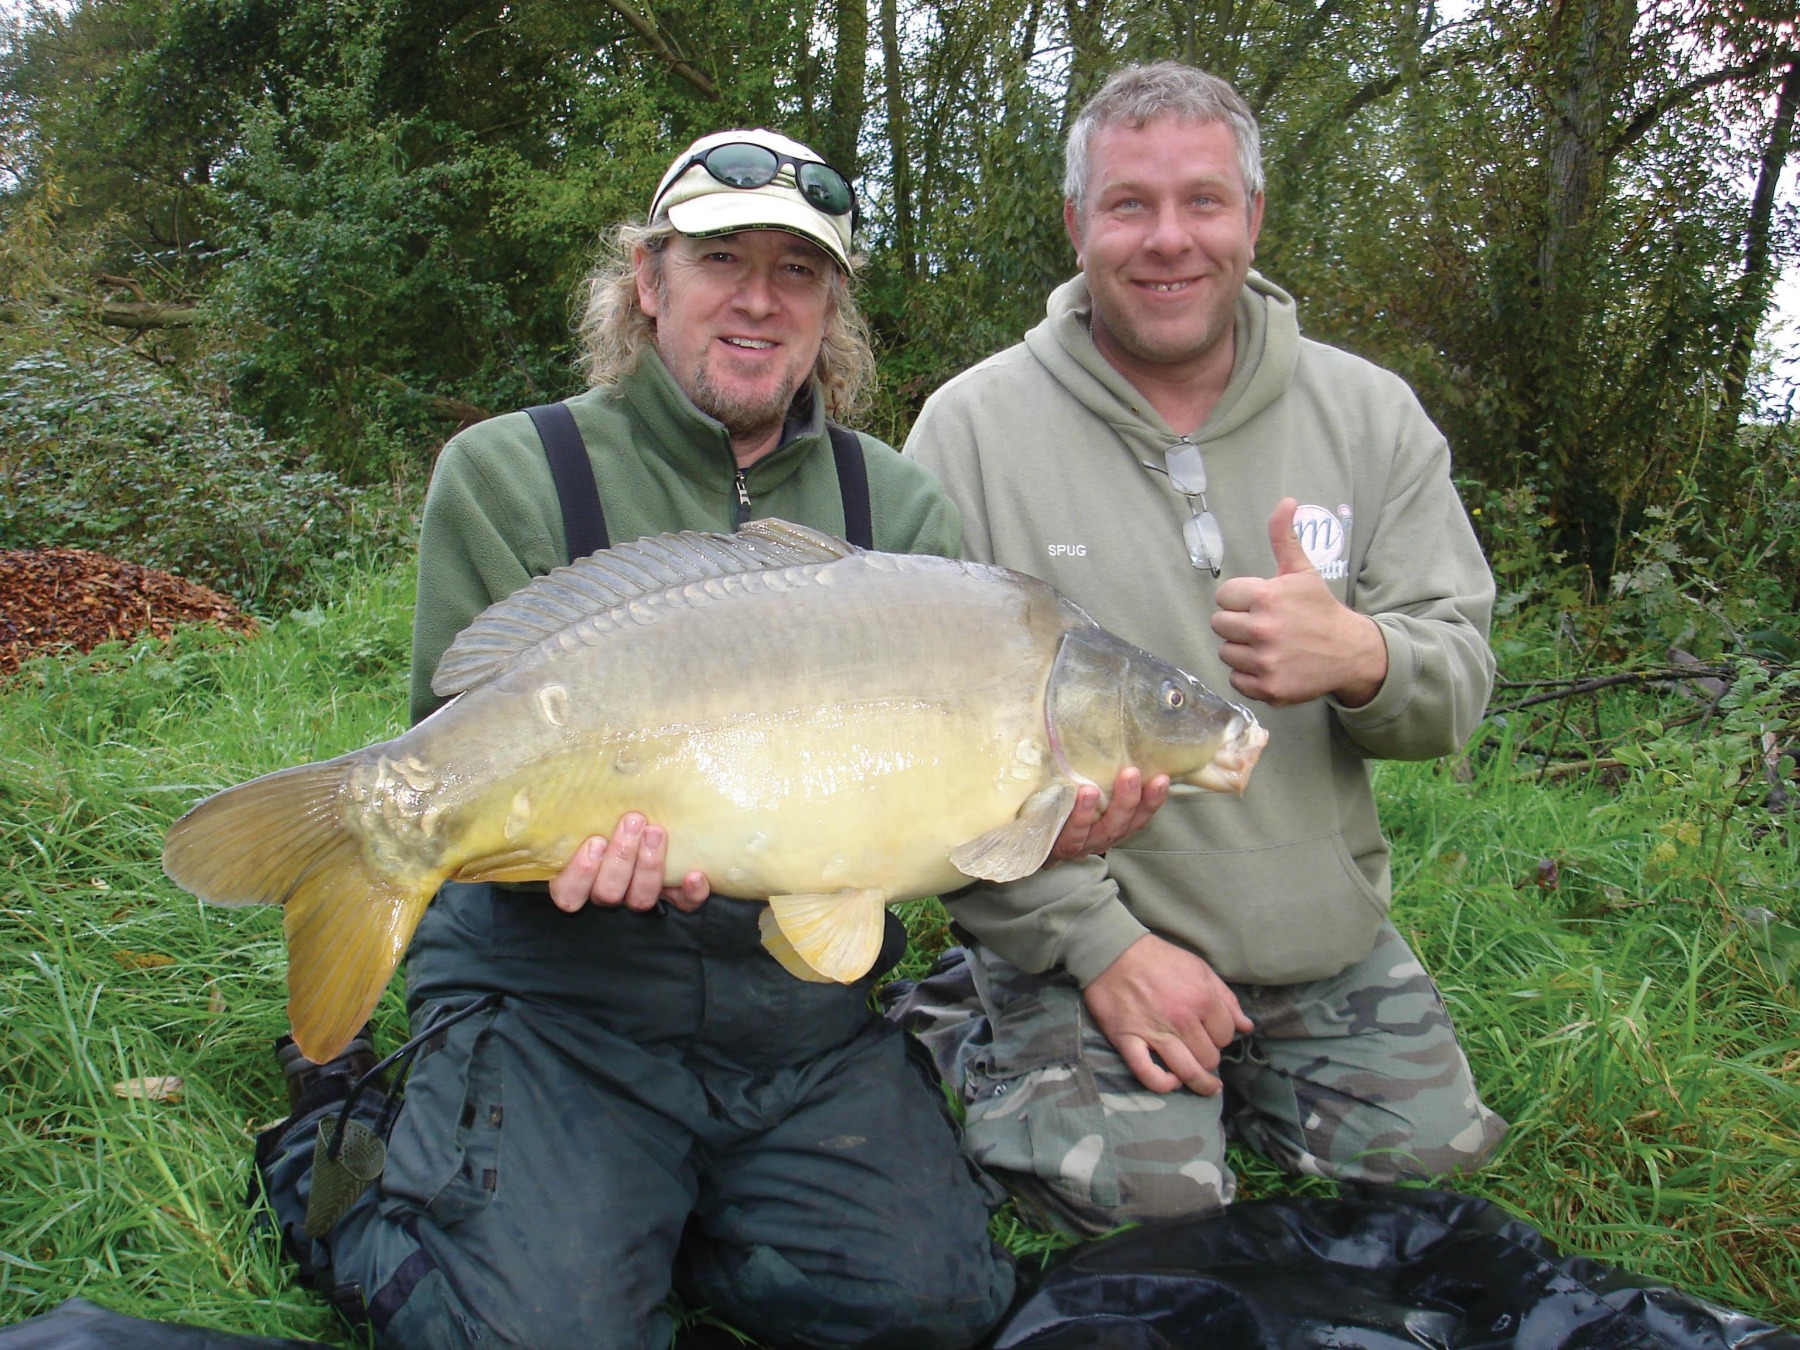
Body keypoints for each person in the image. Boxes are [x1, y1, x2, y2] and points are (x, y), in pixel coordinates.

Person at [253, 128, 1026, 1350]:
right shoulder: (514, 470)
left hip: (796, 1023)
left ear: (832, 308)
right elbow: (457, 739)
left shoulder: (900, 508)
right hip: (561, 999)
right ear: (649, 281)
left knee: (939, 1313)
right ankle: (333, 1154)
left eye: (800, 270)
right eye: (723, 259)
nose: (761, 300)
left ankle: (679, 1202)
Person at [893, 62, 1508, 1238]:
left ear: (1253, 218)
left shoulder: (1370, 416)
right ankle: (971, 1021)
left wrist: (1365, 657)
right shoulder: (969, 432)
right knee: (1154, 1210)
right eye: (1128, 205)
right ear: (1077, 225)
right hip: (1093, 934)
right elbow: (935, 751)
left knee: (1427, 1173)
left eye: (1203, 202)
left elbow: (1457, 691)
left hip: (1315, 936)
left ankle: (1236, 1050)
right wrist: (1100, 941)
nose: (1167, 239)